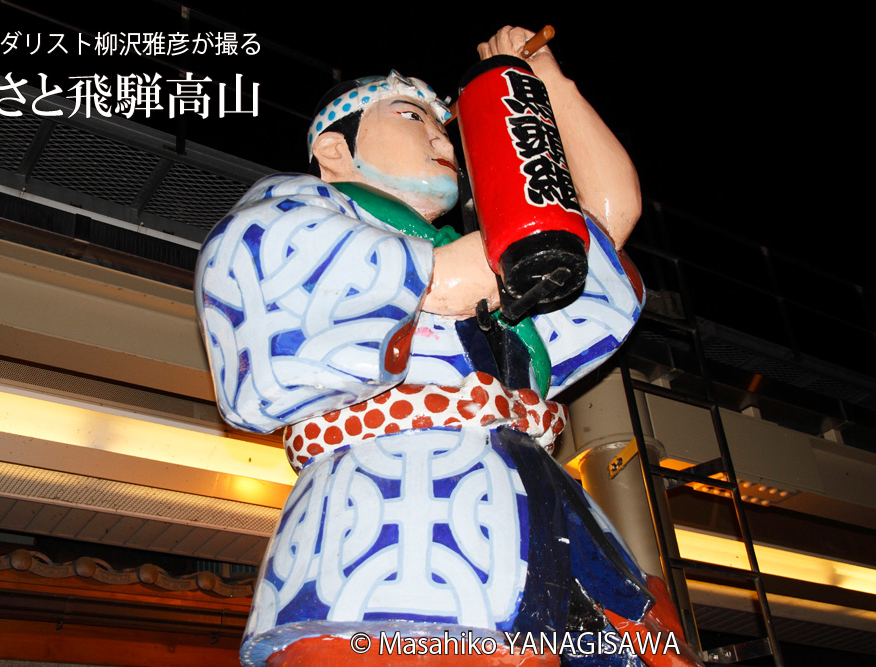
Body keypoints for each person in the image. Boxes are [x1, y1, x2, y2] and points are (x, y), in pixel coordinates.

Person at [197, 26, 699, 667]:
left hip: (534, 497)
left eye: (445, 126)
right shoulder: (290, 212)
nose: (443, 139)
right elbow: (272, 278)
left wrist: (539, 82)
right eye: (412, 116)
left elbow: (606, 217)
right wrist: (473, 257)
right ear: (334, 150)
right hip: (391, 516)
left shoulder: (485, 252)